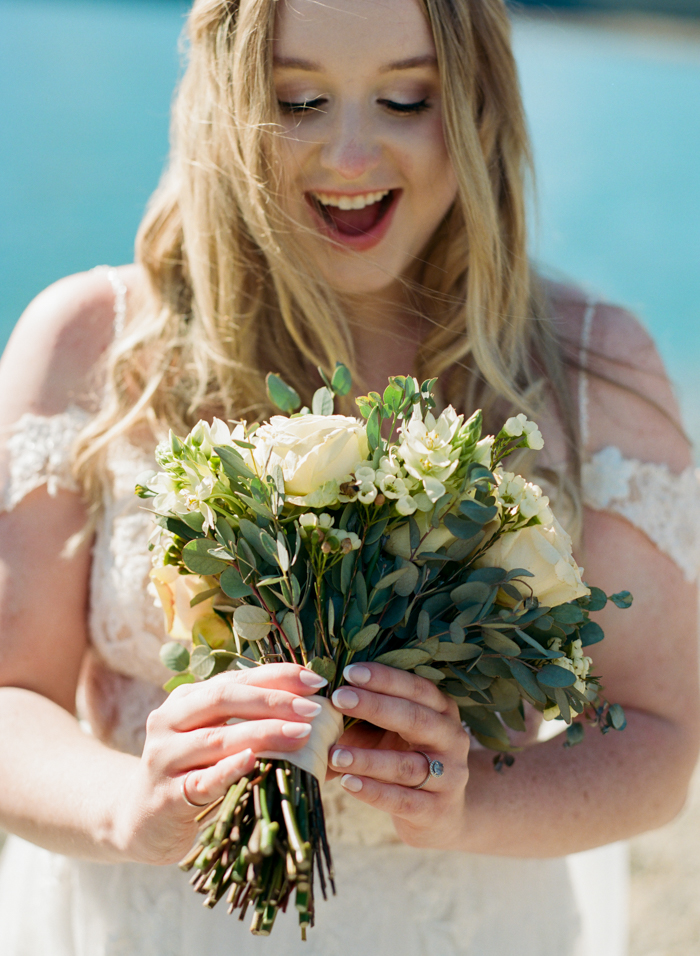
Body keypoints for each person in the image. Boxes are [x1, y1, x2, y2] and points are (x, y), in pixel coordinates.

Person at [0, 0, 698, 953]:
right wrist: (132, 804)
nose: (353, 156)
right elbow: (13, 699)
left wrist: (467, 806)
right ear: (227, 99)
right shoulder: (90, 345)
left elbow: (655, 735)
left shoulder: (590, 366)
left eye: (407, 98)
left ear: (478, 102)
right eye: (298, 101)